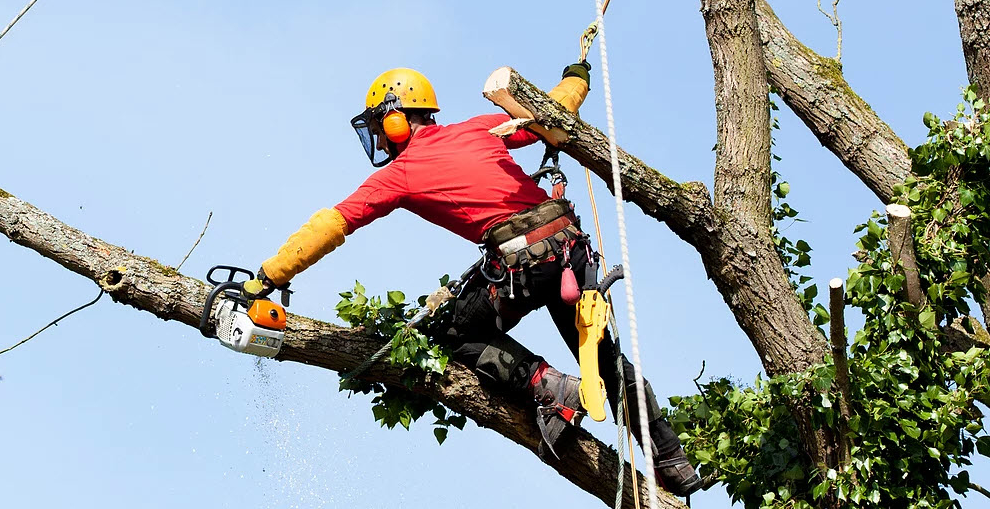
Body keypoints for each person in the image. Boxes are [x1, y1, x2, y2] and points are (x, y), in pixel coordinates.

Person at [247, 65, 700, 495]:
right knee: (603, 359)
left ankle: (550, 386)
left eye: (380, 127)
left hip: (523, 263)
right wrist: (575, 78)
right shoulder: (478, 128)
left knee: (453, 334)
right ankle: (673, 461)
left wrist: (267, 277)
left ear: (394, 118)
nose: (381, 142)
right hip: (570, 251)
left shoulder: (400, 174)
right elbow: (553, 109)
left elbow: (331, 224)